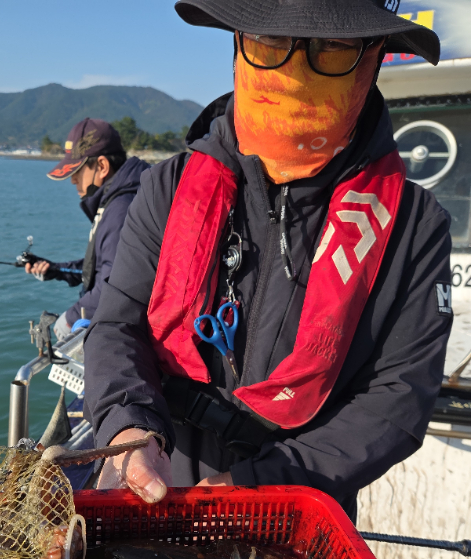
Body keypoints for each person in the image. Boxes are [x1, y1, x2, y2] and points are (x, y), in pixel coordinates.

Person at [84, 0, 452, 521]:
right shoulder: (168, 187)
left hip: (297, 510)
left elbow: (398, 397)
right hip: (160, 487)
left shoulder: (415, 226)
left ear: (372, 59)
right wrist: (127, 429)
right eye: (270, 41)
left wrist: (259, 485)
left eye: (334, 47)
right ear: (238, 46)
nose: (295, 72)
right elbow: (118, 324)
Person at [25, 118, 150, 339]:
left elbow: (115, 284)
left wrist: (68, 320)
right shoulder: (118, 200)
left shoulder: (120, 209)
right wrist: (57, 270)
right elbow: (105, 265)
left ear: (102, 167)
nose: (73, 180)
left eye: (78, 170)